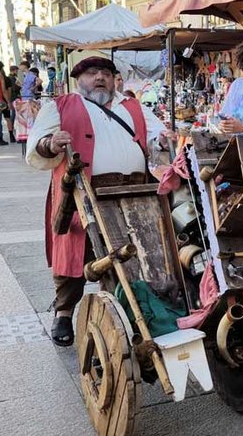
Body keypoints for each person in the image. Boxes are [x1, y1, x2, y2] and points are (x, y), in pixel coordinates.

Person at [26, 56, 164, 346]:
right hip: (81, 195)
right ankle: (63, 311)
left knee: (127, 257)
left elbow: (157, 137)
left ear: (115, 78)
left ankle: (123, 311)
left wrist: (165, 140)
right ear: (80, 80)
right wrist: (50, 144)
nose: (99, 77)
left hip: (131, 196)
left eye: (105, 72)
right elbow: (37, 144)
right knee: (74, 257)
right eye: (91, 73)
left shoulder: (133, 106)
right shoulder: (60, 106)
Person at [0, 61, 17, 142]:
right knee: (8, 118)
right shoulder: (6, 78)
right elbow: (9, 90)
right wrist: (8, 101)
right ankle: (11, 135)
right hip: (5, 100)